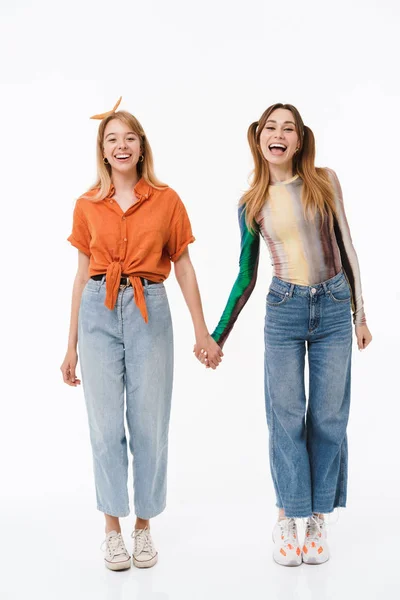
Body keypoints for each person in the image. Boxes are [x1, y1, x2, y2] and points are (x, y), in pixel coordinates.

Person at [204, 103, 372, 566]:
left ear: (299, 140)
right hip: (284, 308)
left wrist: (360, 314)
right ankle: (286, 516)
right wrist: (218, 335)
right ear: (259, 138)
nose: (279, 134)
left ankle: (317, 517)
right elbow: (245, 275)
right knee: (285, 416)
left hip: (335, 306)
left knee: (328, 417)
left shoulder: (325, 181)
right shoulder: (251, 203)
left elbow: (347, 245)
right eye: (270, 127)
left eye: (289, 128)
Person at [60, 97, 222, 571]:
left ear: (141, 144)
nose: (122, 145)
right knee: (105, 428)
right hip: (97, 308)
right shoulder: (87, 205)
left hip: (150, 304)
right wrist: (69, 344)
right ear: (103, 149)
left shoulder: (167, 200)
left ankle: (144, 527)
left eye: (129, 136)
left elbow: (185, 267)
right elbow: (79, 275)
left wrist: (202, 332)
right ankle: (112, 529)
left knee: (150, 424)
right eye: (112, 138)